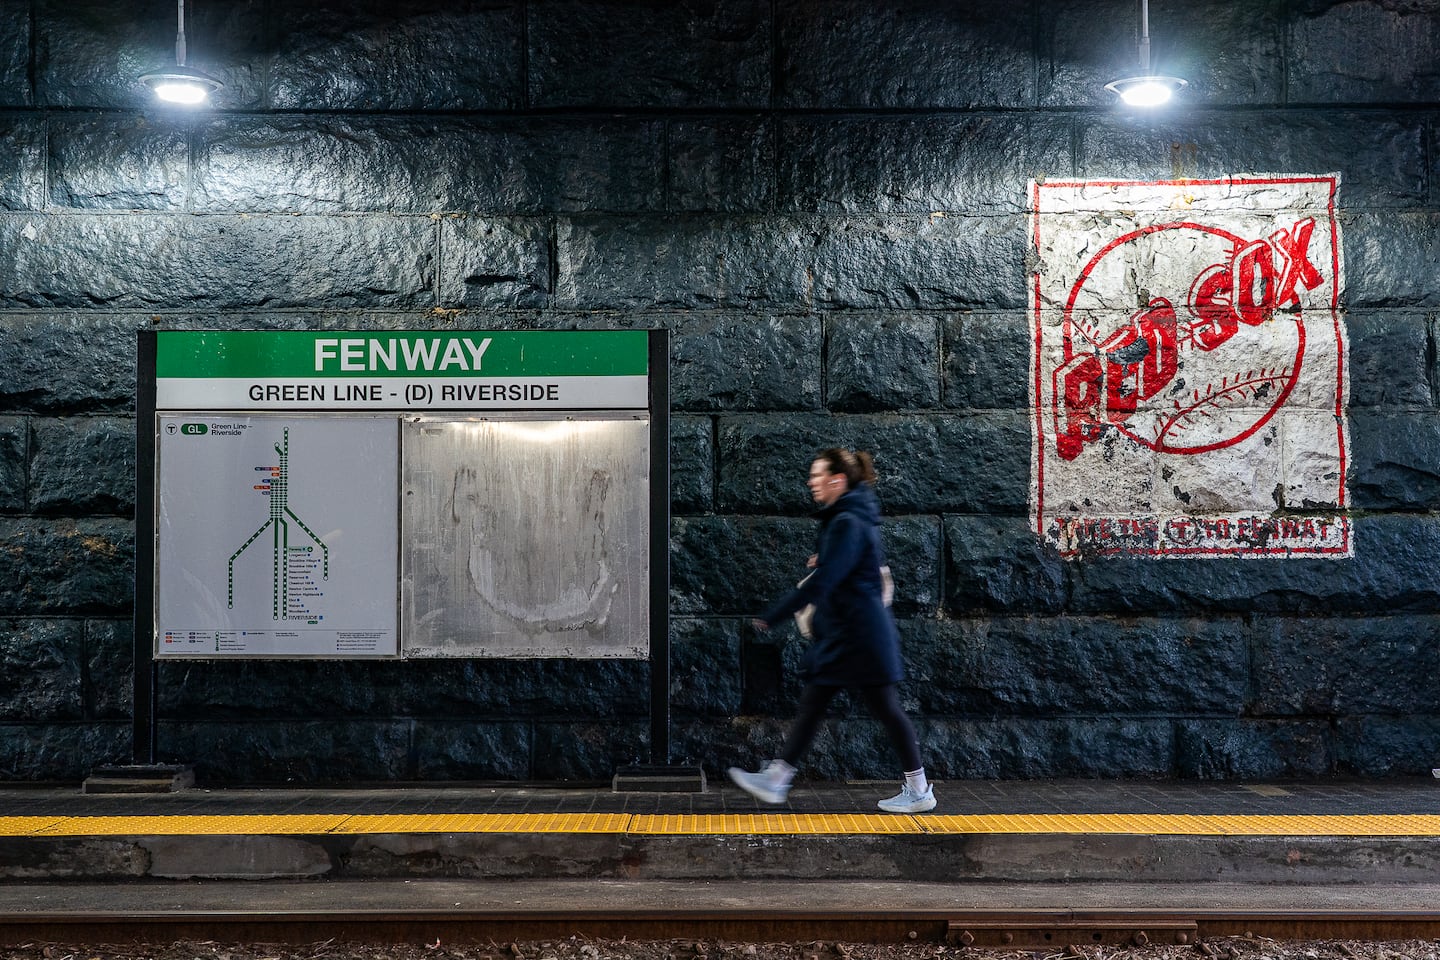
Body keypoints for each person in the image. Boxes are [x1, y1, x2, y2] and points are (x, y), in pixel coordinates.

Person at [727, 447, 936, 814]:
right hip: (852, 632)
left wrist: (774, 613)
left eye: (818, 475)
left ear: (837, 480)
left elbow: (825, 581)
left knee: (877, 708)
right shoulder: (849, 517)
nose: (811, 482)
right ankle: (779, 779)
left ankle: (918, 790)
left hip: (858, 635)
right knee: (824, 703)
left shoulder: (847, 522)